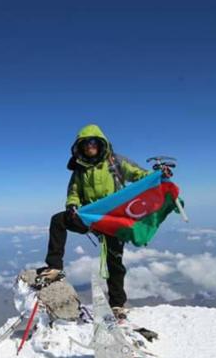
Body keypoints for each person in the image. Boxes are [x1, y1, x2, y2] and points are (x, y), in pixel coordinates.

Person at [38, 124, 158, 319]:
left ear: (100, 143)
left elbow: (139, 175)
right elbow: (74, 191)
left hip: (113, 219)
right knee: (58, 220)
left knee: (115, 262)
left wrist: (158, 176)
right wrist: (72, 205)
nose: (89, 146)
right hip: (89, 217)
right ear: (81, 147)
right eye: (85, 143)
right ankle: (55, 267)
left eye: (93, 142)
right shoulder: (79, 169)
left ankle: (117, 305)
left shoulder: (115, 162)